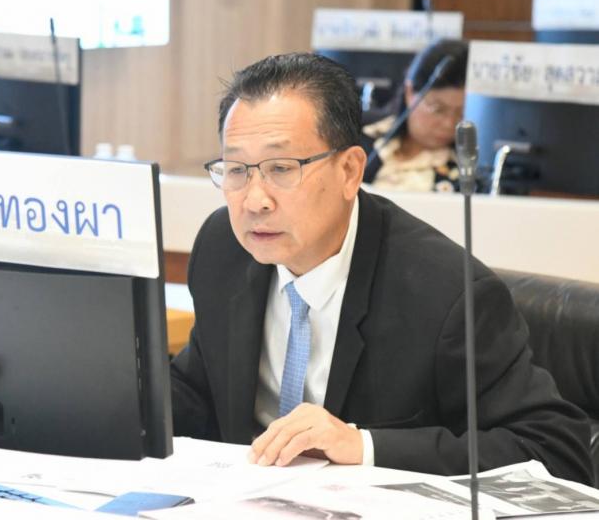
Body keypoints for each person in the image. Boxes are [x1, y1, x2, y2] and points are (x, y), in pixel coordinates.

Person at [170, 52, 594, 484]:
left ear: (350, 171)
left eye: (281, 168)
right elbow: (199, 390)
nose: (254, 200)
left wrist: (363, 446)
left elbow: (556, 450)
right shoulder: (224, 248)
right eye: (237, 170)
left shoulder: (445, 293)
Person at [362, 39, 468, 192]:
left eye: (461, 113)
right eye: (438, 109)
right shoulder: (361, 137)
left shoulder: (465, 172)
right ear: (410, 93)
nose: (449, 123)